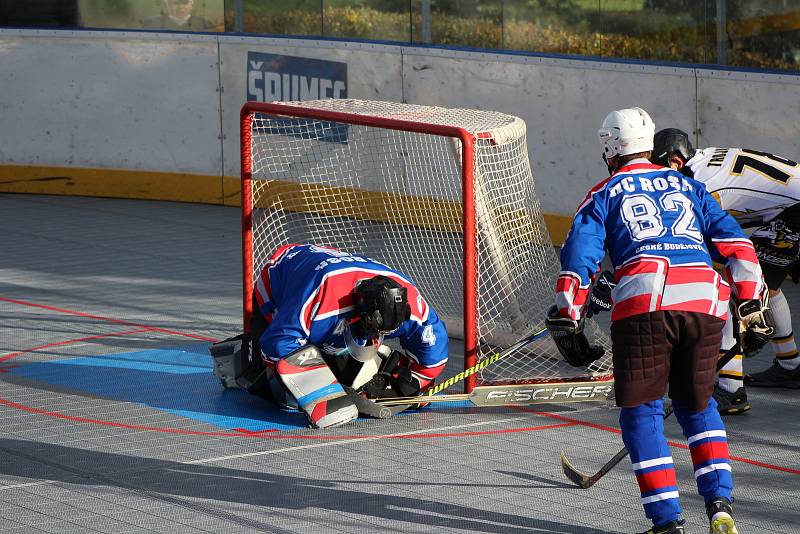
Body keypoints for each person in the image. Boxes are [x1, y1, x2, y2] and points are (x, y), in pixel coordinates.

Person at [547, 107, 771, 534]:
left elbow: (578, 259)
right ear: (650, 144)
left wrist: (568, 313)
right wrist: (750, 301)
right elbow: (738, 246)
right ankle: (720, 503)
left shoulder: (602, 193)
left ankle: (668, 522)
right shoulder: (691, 188)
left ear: (609, 150)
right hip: (705, 303)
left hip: (645, 304)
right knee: (698, 405)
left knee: (642, 412)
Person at [211, 243, 448, 429]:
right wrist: (325, 389)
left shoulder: (412, 306)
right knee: (286, 397)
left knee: (346, 372)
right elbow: (277, 345)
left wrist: (414, 382)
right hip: (280, 281)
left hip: (330, 285)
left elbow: (434, 353)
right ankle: (242, 356)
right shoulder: (321, 296)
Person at [652, 129, 800, 414]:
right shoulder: (702, 160)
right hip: (789, 209)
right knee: (765, 286)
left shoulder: (707, 188)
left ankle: (731, 390)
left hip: (795, 212)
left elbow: (701, 249)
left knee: (733, 287)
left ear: (675, 162)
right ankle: (790, 364)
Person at [140, 0, 217, 32]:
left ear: (191, 4)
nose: (180, 7)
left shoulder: (206, 24)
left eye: (184, 2)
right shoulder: (149, 24)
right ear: (166, 4)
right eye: (175, 3)